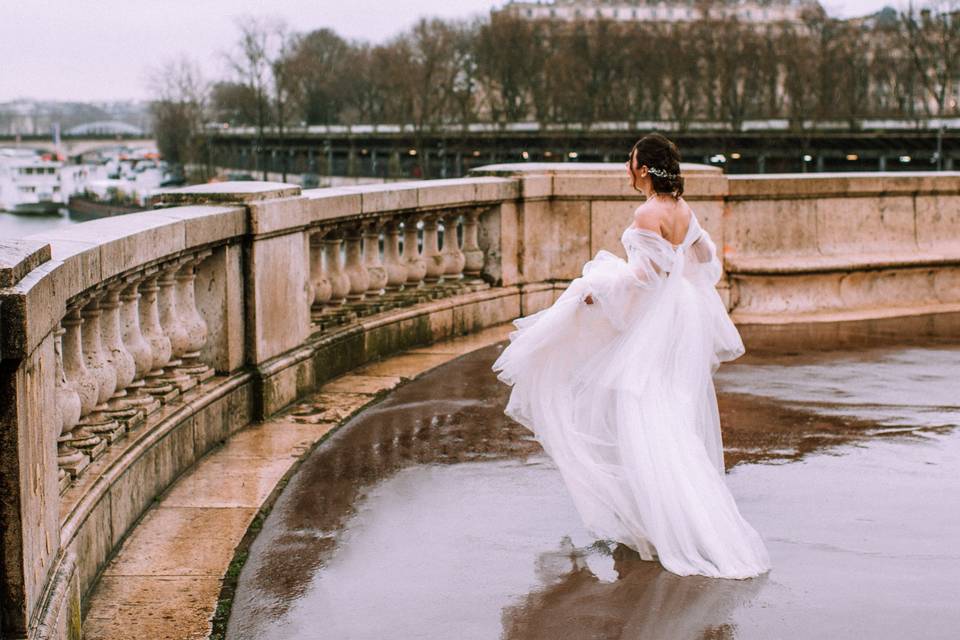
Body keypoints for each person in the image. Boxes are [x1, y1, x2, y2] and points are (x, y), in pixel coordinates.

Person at [492, 133, 771, 579]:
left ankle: (664, 525)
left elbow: (640, 279)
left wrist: (594, 292)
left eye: (630, 160)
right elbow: (703, 255)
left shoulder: (646, 213)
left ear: (642, 169)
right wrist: (677, 283)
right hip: (678, 321)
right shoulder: (682, 210)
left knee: (644, 417)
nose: (627, 166)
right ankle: (689, 522)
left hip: (656, 327)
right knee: (667, 417)